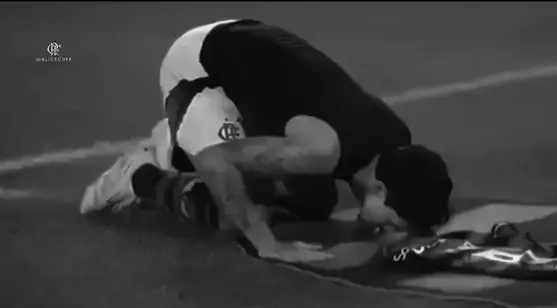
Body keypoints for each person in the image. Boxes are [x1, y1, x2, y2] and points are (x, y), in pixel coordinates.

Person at [79, 19, 453, 262]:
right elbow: (217, 161)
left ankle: (184, 142)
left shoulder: (395, 139)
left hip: (253, 46)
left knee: (314, 201)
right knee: (235, 216)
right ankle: (143, 173)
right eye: (397, 223)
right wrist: (267, 244)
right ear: (380, 189)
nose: (397, 235)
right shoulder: (320, 150)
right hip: (200, 68)